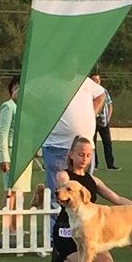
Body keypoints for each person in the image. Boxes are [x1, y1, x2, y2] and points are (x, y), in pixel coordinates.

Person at [51, 136, 132, 262]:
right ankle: (60, 255)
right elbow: (63, 196)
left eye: (88, 155)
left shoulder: (93, 180)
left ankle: (83, 260)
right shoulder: (64, 176)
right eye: (81, 154)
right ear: (71, 155)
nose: (84, 159)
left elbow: (116, 198)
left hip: (90, 231)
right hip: (67, 230)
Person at [42, 76, 106, 219]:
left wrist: (92, 113)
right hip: (58, 146)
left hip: (85, 146)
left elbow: (101, 94)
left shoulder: (84, 81)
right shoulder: (47, 81)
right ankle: (57, 233)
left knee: (82, 192)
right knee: (58, 195)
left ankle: (81, 229)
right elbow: (19, 97)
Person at [0, 74, 32, 234]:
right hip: (12, 153)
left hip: (25, 154)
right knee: (10, 192)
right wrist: (4, 157)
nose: (19, 89)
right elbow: (3, 134)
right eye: (16, 85)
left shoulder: (27, 109)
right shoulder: (8, 106)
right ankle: (6, 226)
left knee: (21, 193)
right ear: (11, 88)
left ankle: (17, 226)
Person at [91, 73, 120, 171]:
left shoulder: (104, 91)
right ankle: (94, 165)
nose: (96, 82)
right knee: (92, 144)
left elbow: (110, 105)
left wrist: (108, 118)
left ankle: (110, 164)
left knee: (107, 143)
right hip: (93, 121)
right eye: (94, 80)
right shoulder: (89, 92)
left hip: (103, 121)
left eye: (98, 80)